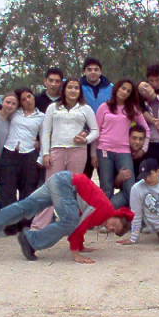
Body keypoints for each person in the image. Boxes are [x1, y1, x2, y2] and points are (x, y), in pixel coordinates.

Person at [0, 171, 134, 264]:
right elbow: (78, 226)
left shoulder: (104, 214)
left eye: (113, 230)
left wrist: (80, 246)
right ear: (117, 215)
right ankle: (30, 240)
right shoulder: (105, 211)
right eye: (115, 225)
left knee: (27, 206)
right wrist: (76, 253)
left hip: (61, 180)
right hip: (65, 184)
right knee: (69, 221)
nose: (110, 228)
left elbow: (82, 219)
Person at [31, 78, 99, 229]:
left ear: (80, 91)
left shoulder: (85, 109)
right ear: (64, 90)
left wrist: (86, 140)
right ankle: (39, 225)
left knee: (74, 187)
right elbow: (46, 132)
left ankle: (73, 223)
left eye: (76, 88)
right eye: (70, 87)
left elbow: (95, 130)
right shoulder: (53, 107)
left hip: (78, 151)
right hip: (57, 150)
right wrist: (45, 154)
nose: (73, 91)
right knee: (50, 187)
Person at [95, 79, 150, 206]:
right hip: (104, 150)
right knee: (106, 188)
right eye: (123, 88)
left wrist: (143, 149)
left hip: (124, 151)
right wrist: (93, 154)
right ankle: (105, 216)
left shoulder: (132, 109)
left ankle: (109, 209)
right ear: (117, 89)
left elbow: (146, 129)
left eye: (128, 91)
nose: (124, 92)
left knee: (130, 189)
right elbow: (96, 131)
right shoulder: (104, 107)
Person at [0, 87, 45, 232]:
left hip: (29, 155)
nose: (27, 101)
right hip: (9, 153)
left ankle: (25, 223)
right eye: (23, 99)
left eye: (29, 97)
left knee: (28, 190)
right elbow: (1, 113)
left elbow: (44, 137)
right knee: (7, 190)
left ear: (34, 97)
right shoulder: (15, 113)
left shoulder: (42, 117)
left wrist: (41, 158)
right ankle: (8, 224)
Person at [80, 57, 113, 178]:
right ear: (84, 71)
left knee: (106, 176)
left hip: (105, 136)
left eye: (96, 69)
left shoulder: (111, 88)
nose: (93, 72)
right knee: (83, 175)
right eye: (89, 69)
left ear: (101, 71)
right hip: (83, 135)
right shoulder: (77, 87)